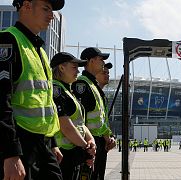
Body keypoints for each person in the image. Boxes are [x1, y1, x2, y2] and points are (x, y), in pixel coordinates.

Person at [0, 0, 65, 179]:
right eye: (46, 9)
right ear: (26, 6)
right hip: (20, 143)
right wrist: (10, 153)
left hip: (41, 143)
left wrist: (52, 143)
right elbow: (1, 99)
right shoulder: (8, 40)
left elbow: (45, 101)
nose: (51, 15)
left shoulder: (40, 51)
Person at [50, 52, 96, 180]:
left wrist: (91, 141)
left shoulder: (67, 90)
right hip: (63, 154)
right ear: (61, 68)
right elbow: (66, 127)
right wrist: (86, 149)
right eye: (74, 67)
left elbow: (80, 123)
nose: (78, 71)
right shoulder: (56, 90)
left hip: (74, 152)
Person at [71, 47, 115, 180]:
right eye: (100, 59)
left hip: (98, 142)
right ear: (90, 61)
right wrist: (86, 147)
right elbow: (79, 120)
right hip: (88, 143)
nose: (103, 63)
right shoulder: (82, 85)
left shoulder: (92, 84)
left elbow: (99, 118)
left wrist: (107, 136)